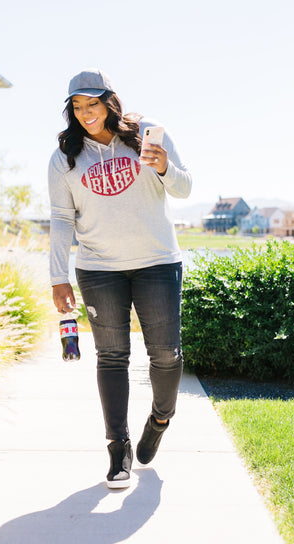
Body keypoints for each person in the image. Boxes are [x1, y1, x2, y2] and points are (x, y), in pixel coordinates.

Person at [48, 68, 192, 489]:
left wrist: (164, 166)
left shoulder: (145, 133)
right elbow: (61, 219)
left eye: (92, 104)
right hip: (97, 269)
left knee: (165, 354)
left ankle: (160, 419)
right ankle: (118, 448)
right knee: (111, 357)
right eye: (77, 106)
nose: (85, 113)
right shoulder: (64, 158)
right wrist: (58, 277)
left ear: (110, 101)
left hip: (158, 262)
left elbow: (183, 188)